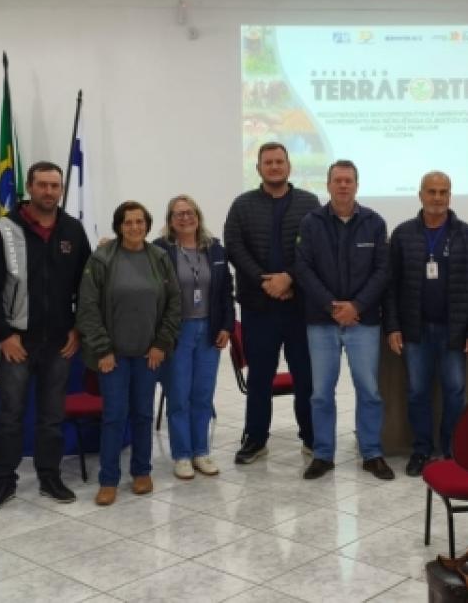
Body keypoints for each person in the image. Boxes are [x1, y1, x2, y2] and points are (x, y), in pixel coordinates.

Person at [0, 161, 91, 511]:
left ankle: (49, 476)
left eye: (55, 186)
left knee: (52, 415)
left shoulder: (73, 230)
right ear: (29, 187)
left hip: (59, 341)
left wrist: (77, 328)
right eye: (42, 185)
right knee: (10, 415)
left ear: (61, 190)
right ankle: (4, 480)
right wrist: (3, 334)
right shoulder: (5, 229)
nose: (48, 191)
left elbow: (86, 287)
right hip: (18, 341)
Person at [293, 160, 394, 481]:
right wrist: (332, 305)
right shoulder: (311, 223)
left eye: (348, 180)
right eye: (337, 180)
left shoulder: (374, 223)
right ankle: (323, 454)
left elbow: (383, 270)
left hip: (363, 321)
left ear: (357, 185)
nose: (343, 186)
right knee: (321, 392)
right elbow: (303, 268)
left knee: (369, 390)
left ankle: (372, 453)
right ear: (328, 185)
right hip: (321, 321)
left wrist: (357, 306)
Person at [385, 171, 468, 477]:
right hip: (415, 330)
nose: (437, 197)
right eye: (431, 191)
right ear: (420, 195)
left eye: (443, 192)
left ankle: (451, 450)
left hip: (454, 331)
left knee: (454, 392)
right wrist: (393, 326)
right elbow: (390, 287)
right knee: (417, 392)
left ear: (450, 196)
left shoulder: (467, 235)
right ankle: (421, 450)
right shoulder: (403, 235)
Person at [76, 201, 180, 505]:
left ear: (147, 225)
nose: (135, 227)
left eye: (140, 222)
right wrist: (103, 349)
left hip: (149, 354)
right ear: (119, 226)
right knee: (114, 416)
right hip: (113, 357)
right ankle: (108, 479)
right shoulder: (102, 258)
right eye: (128, 222)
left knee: (143, 414)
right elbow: (87, 307)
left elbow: (174, 303)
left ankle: (141, 472)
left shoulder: (159, 258)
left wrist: (161, 344)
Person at [223, 141, 320, 464]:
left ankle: (311, 437)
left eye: (280, 161)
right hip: (258, 307)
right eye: (268, 162)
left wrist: (290, 278)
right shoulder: (242, 205)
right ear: (259, 168)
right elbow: (234, 247)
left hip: (299, 306)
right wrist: (265, 281)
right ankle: (256, 439)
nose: (275, 167)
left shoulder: (309, 203)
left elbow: (314, 249)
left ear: (289, 166)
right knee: (260, 377)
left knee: (305, 376)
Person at [154, 195, 233, 480]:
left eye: (189, 212)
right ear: (170, 220)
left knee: (203, 394)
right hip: (177, 331)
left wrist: (226, 326)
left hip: (209, 330)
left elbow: (226, 292)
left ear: (198, 216)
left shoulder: (215, 249)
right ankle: (182, 455)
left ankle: (201, 451)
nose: (185, 218)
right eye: (178, 214)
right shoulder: (160, 250)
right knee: (178, 395)